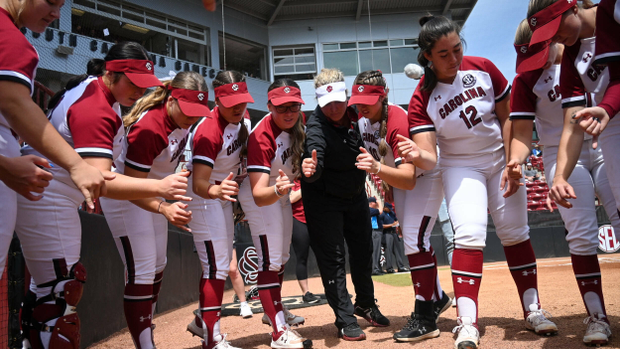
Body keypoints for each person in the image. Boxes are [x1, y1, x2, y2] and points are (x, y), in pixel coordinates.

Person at [16, 42, 190, 349]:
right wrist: (158, 189)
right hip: (49, 194)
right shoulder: (97, 106)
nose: (140, 90)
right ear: (111, 73)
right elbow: (100, 182)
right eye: (134, 81)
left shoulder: (96, 93)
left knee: (49, 297)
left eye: (144, 84)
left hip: (49, 193)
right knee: (58, 301)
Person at [400, 15, 557, 349]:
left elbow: (508, 117)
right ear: (428, 56)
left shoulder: (483, 67)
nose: (454, 59)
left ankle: (533, 310)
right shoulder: (421, 98)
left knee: (515, 233)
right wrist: (415, 153)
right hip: (459, 165)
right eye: (444, 54)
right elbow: (430, 157)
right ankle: (466, 322)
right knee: (468, 234)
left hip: (500, 156)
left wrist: (514, 161)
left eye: (457, 49)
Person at [0, 0, 112, 280]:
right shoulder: (8, 35)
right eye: (50, 1)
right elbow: (14, 103)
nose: (55, 13)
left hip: (20, 174)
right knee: (58, 292)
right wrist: (76, 165)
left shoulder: (14, 32)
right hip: (45, 192)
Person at [526, 0, 615, 344]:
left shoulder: (612, 20)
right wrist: (560, 175)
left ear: (572, 6)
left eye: (559, 25)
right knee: (580, 234)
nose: (559, 36)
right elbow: (572, 124)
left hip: (612, 134)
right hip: (600, 138)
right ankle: (597, 316)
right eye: (551, 34)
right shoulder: (571, 61)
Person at [348, 70, 450, 342]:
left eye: (367, 100)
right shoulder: (363, 120)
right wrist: (388, 184)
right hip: (402, 181)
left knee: (417, 242)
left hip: (425, 177)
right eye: (357, 100)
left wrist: (380, 171)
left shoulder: (397, 120)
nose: (361, 106)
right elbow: (392, 170)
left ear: (384, 96)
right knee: (414, 242)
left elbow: (408, 176)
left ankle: (425, 317)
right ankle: (437, 298)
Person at [301, 68, 389, 342]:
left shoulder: (354, 113)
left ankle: (365, 303)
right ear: (319, 102)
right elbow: (315, 155)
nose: (336, 108)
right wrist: (311, 168)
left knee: (363, 250)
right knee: (334, 258)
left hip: (354, 195)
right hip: (323, 200)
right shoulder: (316, 126)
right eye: (328, 104)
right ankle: (345, 317)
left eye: (340, 100)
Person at [238, 78, 312, 349]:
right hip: (262, 195)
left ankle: (276, 313)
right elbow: (258, 193)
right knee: (269, 261)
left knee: (280, 258)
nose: (289, 112)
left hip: (280, 192)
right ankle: (279, 332)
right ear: (269, 106)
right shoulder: (262, 135)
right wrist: (281, 191)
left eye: (294, 106)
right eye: (282, 107)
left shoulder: (297, 123)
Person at [183, 70, 253, 349]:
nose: (238, 106)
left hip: (221, 196)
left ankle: (203, 323)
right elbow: (199, 183)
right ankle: (212, 340)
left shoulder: (242, 120)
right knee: (215, 267)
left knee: (220, 266)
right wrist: (219, 193)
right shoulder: (207, 130)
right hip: (204, 196)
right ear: (217, 99)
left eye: (242, 100)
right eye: (231, 100)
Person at [290, 179, 321, 304]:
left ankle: (331, 288)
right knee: (302, 257)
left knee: (324, 256)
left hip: (315, 221)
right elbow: (292, 198)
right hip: (298, 220)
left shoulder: (318, 179)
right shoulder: (294, 180)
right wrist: (307, 186)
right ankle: (306, 293)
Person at [368, 197, 384, 275]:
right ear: (371, 203)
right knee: (375, 251)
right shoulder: (369, 209)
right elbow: (380, 211)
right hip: (373, 232)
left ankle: (377, 268)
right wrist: (380, 203)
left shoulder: (374, 211)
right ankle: (375, 269)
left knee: (377, 251)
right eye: (375, 202)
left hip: (377, 231)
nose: (376, 203)